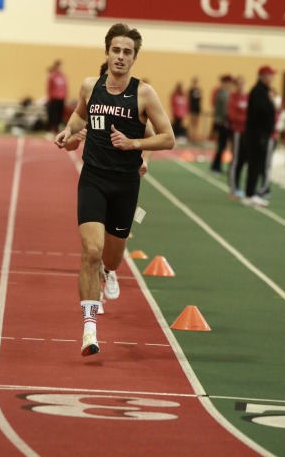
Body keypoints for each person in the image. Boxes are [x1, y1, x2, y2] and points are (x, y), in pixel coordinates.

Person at [54, 23, 175, 357]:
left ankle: (109, 271)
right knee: (91, 251)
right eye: (116, 50)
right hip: (92, 178)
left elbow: (168, 137)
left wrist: (134, 144)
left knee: (111, 257)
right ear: (106, 52)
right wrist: (67, 133)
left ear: (134, 58)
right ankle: (89, 329)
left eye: (127, 52)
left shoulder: (145, 93)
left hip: (124, 185)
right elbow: (80, 116)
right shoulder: (90, 86)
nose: (121, 57)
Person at [241, 65, 276, 207]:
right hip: (257, 135)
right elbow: (259, 113)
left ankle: (252, 192)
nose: (272, 79)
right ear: (264, 77)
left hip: (260, 134)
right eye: (270, 76)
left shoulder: (264, 91)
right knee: (254, 165)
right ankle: (250, 194)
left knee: (257, 165)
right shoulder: (258, 92)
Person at [227, 76, 248, 198]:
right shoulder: (233, 98)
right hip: (237, 132)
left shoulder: (247, 97)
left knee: (243, 160)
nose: (241, 86)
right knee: (235, 159)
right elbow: (232, 115)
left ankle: (238, 185)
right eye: (238, 84)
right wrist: (245, 119)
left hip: (246, 132)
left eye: (242, 84)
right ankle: (233, 187)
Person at [210, 75, 233, 173]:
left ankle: (217, 165)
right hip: (223, 122)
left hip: (223, 122)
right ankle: (216, 166)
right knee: (221, 145)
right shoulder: (222, 93)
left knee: (222, 145)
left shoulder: (225, 92)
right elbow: (224, 109)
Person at [46, 60, 68, 133]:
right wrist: (50, 98)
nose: (61, 68)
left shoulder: (63, 76)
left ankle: (58, 129)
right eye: (59, 66)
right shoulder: (52, 76)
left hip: (61, 99)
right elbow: (49, 87)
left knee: (60, 116)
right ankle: (51, 130)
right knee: (53, 115)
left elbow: (65, 87)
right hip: (54, 99)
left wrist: (65, 97)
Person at [188, 77, 203, 143]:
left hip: (197, 109)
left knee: (196, 124)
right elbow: (189, 100)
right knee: (192, 123)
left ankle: (195, 137)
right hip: (192, 109)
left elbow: (200, 100)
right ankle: (191, 137)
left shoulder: (199, 91)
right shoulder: (191, 91)